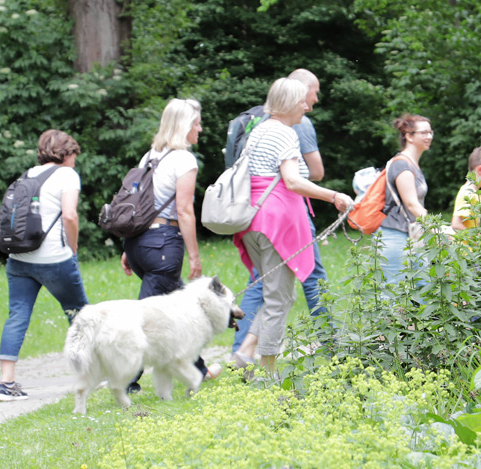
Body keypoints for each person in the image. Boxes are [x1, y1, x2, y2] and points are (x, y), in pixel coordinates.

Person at [231, 78, 353, 374]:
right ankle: (267, 372)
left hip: (252, 222)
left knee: (277, 295)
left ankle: (246, 354)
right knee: (279, 300)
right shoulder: (285, 134)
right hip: (275, 224)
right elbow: (293, 181)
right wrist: (334, 195)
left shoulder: (258, 130)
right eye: (301, 101)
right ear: (288, 103)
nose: (306, 106)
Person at [120, 98, 219, 392]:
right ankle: (125, 380)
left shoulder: (150, 157)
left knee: (181, 313)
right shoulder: (184, 159)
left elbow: (137, 206)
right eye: (196, 124)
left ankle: (198, 370)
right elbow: (185, 210)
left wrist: (128, 250)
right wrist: (195, 257)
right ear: (184, 126)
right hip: (163, 245)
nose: (200, 129)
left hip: (140, 244)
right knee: (145, 318)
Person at [0, 129, 88, 402]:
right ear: (66, 153)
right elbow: (70, 215)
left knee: (17, 315)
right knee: (80, 314)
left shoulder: (28, 174)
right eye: (73, 154)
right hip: (54, 259)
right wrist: (73, 247)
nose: (74, 160)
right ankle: (92, 373)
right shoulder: (67, 175)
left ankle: (6, 383)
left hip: (19, 258)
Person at [379, 114, 433, 283]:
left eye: (430, 132)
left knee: (425, 289)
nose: (429, 137)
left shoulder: (412, 164)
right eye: (423, 133)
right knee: (392, 296)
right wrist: (438, 228)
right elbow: (411, 204)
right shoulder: (402, 165)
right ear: (409, 136)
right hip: (395, 237)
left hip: (411, 237)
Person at [451, 148, 481, 232]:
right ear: (480, 170)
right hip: (468, 245)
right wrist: (475, 238)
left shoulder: (476, 193)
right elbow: (456, 224)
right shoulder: (467, 193)